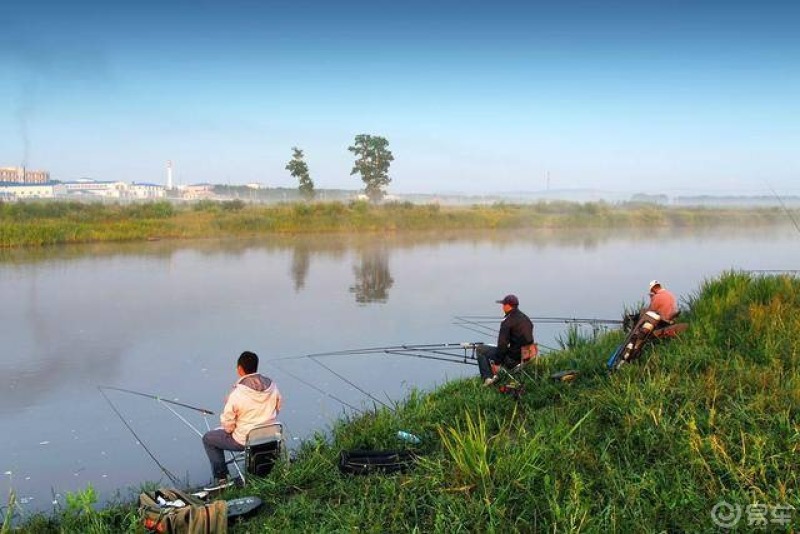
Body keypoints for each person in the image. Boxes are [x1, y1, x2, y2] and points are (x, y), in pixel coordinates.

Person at [202, 351, 282, 490]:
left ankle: (222, 479)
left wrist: (231, 427)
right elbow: (278, 406)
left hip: (245, 440)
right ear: (256, 366)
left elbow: (227, 426)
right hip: (270, 436)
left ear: (240, 369)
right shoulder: (272, 386)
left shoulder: (237, 394)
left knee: (208, 439)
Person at [477, 294, 535, 386]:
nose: (502, 307)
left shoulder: (507, 321)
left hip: (512, 360)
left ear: (508, 306)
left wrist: (497, 362)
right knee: (499, 349)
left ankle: (488, 378)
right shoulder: (526, 319)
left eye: (503, 304)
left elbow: (502, 345)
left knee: (480, 349)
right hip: (526, 358)